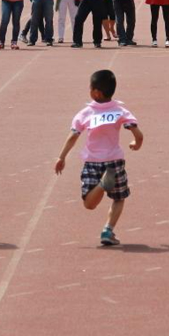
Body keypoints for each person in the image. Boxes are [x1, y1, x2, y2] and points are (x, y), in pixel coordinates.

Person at [55, 69, 143, 246]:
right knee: (119, 198)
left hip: (92, 161)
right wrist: (136, 143)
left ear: (96, 92)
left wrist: (61, 157)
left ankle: (102, 185)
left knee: (89, 204)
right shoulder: (120, 111)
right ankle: (108, 230)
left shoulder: (85, 113)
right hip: (114, 161)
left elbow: (73, 136)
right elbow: (137, 133)